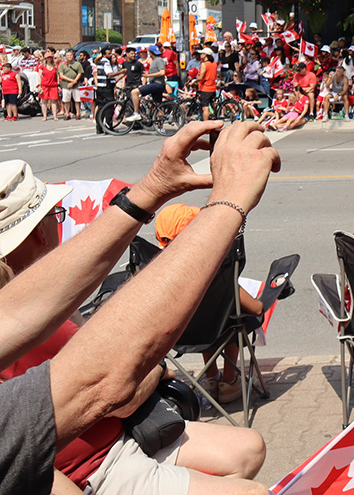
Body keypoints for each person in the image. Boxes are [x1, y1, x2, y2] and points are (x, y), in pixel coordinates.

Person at [0, 121, 280, 495]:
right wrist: (229, 199)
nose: (60, 221)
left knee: (248, 448)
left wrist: (153, 188)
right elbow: (107, 384)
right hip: (96, 463)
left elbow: (19, 312)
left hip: (121, 436)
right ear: (37, 230)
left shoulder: (21, 303)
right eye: (57, 213)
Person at [155, 204, 263, 403]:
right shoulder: (212, 268)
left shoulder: (157, 268)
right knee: (233, 315)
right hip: (219, 330)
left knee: (202, 315)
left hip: (182, 335)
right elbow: (256, 308)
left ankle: (211, 378)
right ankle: (229, 381)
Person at [130, 47, 167, 123]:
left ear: (150, 52)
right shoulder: (154, 60)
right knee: (157, 105)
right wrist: (149, 73)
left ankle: (136, 113)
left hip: (156, 84)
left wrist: (148, 76)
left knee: (134, 92)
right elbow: (156, 72)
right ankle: (160, 125)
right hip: (156, 83)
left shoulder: (158, 60)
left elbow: (162, 72)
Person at [58, 52, 85, 120]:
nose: (69, 56)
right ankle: (67, 113)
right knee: (66, 100)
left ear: (73, 56)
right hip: (66, 85)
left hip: (76, 85)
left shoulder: (78, 64)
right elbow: (61, 75)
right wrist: (71, 80)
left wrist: (74, 81)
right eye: (67, 55)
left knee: (77, 100)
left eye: (70, 55)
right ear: (65, 57)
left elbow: (80, 73)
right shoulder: (62, 65)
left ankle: (78, 113)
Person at [197, 47, 219, 121]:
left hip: (205, 88)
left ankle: (205, 123)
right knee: (212, 103)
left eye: (202, 54)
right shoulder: (214, 64)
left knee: (205, 107)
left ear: (205, 55)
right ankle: (218, 115)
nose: (200, 55)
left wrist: (193, 82)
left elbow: (201, 77)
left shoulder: (204, 64)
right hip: (212, 87)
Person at [38, 51, 60, 121]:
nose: (49, 59)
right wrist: (39, 85)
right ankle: (44, 116)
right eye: (48, 57)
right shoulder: (42, 66)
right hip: (45, 85)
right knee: (44, 101)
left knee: (54, 101)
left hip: (53, 85)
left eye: (50, 57)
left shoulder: (55, 66)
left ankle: (54, 115)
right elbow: (40, 76)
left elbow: (57, 76)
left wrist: (58, 85)